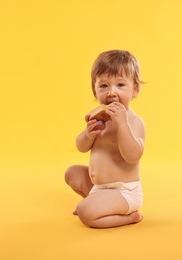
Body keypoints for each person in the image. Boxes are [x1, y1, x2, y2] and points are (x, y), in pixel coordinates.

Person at [65, 50, 145, 228]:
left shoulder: (133, 121)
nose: (111, 93)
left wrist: (122, 125)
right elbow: (81, 147)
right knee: (71, 172)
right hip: (99, 187)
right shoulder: (100, 118)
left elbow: (133, 156)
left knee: (85, 212)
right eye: (104, 86)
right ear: (95, 90)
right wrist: (88, 134)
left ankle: (128, 217)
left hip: (124, 191)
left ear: (135, 89)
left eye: (120, 85)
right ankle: (98, 202)